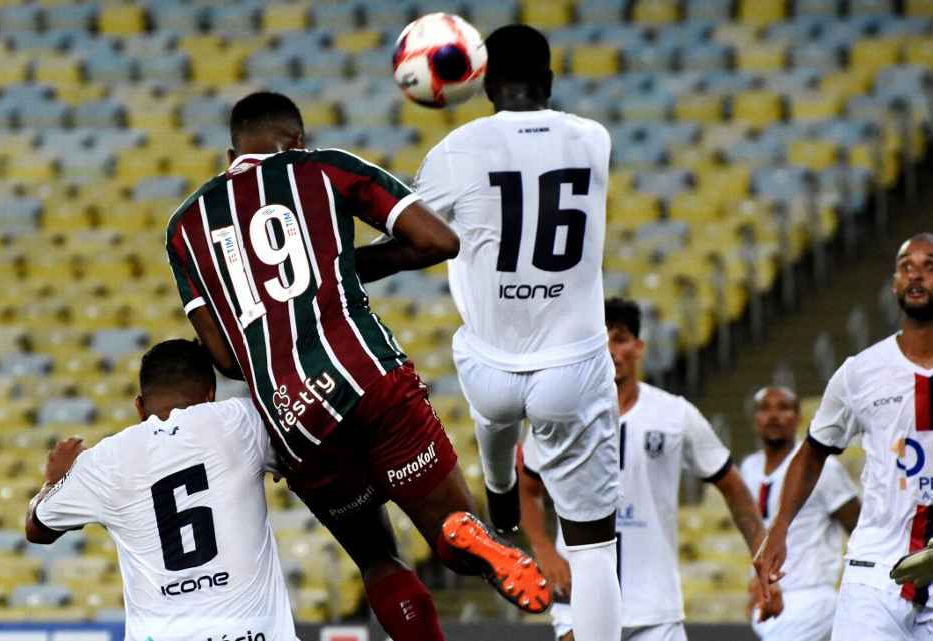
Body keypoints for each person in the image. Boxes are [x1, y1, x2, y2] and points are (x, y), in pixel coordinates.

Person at [165, 92, 550, 639]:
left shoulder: (184, 229)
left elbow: (227, 359)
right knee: (449, 527)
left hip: (293, 417)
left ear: (232, 152)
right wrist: (340, 268)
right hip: (368, 378)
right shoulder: (324, 167)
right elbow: (438, 240)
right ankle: (469, 538)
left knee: (376, 557)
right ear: (296, 139)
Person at [414, 24, 621, 641]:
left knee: (490, 387)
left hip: (490, 365)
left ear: (481, 83)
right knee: (592, 546)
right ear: (551, 82)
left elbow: (410, 237)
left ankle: (500, 486)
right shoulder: (594, 139)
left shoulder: (456, 149)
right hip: (575, 363)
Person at [516, 299, 768, 641]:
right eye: (600, 339)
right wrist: (544, 550)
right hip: (578, 603)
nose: (610, 350)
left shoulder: (676, 415)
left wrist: (761, 557)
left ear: (638, 347)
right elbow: (527, 487)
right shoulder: (561, 413)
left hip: (655, 608)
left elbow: (733, 487)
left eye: (619, 338)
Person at [25, 339, 298, 641]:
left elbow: (37, 528)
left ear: (139, 406)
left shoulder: (103, 461)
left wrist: (54, 481)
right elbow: (304, 453)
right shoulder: (242, 419)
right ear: (211, 394)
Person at [754, 233, 933, 641]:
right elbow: (813, 451)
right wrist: (779, 527)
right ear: (894, 284)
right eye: (907, 266)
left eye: (929, 265)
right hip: (876, 573)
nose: (917, 275)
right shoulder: (860, 372)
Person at [740, 385, 860, 641]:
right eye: (764, 409)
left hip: (812, 595)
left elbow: (858, 527)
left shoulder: (822, 470)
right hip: (770, 596)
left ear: (798, 417)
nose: (773, 416)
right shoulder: (749, 467)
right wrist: (756, 583)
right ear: (755, 419)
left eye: (783, 408)